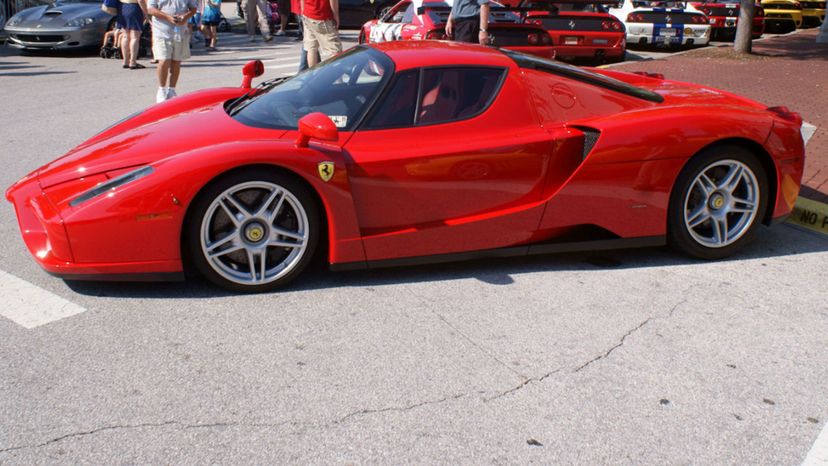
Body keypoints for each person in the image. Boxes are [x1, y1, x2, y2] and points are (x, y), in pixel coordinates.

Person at [148, 0, 198, 102]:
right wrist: (167, 17)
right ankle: (161, 89)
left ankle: (172, 90)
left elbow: (193, 8)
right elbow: (151, 9)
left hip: (180, 31)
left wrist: (186, 16)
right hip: (161, 31)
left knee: (176, 61)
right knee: (164, 60)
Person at [301, 0, 340, 67]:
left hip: (308, 13)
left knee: (312, 48)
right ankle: (334, 75)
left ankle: (312, 74)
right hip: (323, 16)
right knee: (335, 50)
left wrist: (303, 11)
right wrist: (335, 15)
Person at [120, 0, 149, 68]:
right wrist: (146, 13)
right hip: (134, 7)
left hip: (122, 7)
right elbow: (141, 0)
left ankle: (125, 61)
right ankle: (133, 62)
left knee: (125, 36)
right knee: (134, 37)